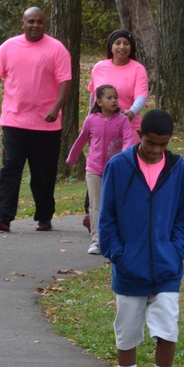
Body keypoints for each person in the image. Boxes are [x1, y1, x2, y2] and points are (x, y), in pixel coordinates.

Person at [99, 110, 184, 367]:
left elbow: (183, 218)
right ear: (140, 136)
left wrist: (176, 251)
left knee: (167, 332)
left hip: (166, 269)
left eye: (163, 145)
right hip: (129, 269)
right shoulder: (118, 167)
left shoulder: (178, 169)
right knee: (127, 335)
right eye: (151, 143)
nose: (156, 150)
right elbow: (107, 217)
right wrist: (118, 254)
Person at [0, 7, 72, 232]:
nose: (35, 25)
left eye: (39, 22)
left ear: (45, 24)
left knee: (43, 173)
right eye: (31, 21)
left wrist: (56, 108)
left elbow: (65, 83)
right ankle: (2, 215)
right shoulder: (8, 47)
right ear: (22, 23)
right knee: (10, 167)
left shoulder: (57, 49)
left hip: (46, 124)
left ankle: (44, 216)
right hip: (14, 121)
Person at [66, 85, 135, 255]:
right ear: (99, 101)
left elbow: (128, 140)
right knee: (95, 205)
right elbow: (82, 140)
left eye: (115, 97)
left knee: (114, 204)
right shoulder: (91, 120)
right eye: (109, 98)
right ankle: (97, 241)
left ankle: (116, 237)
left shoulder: (122, 120)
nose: (113, 101)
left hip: (115, 170)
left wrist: (124, 158)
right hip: (94, 169)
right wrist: (71, 158)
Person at [88, 29, 149, 139]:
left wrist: (132, 112)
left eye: (126, 43)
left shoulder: (138, 69)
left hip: (128, 129)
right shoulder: (99, 67)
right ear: (111, 47)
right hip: (100, 129)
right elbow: (94, 94)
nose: (122, 47)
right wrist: (90, 118)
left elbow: (141, 97)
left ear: (131, 47)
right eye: (117, 43)